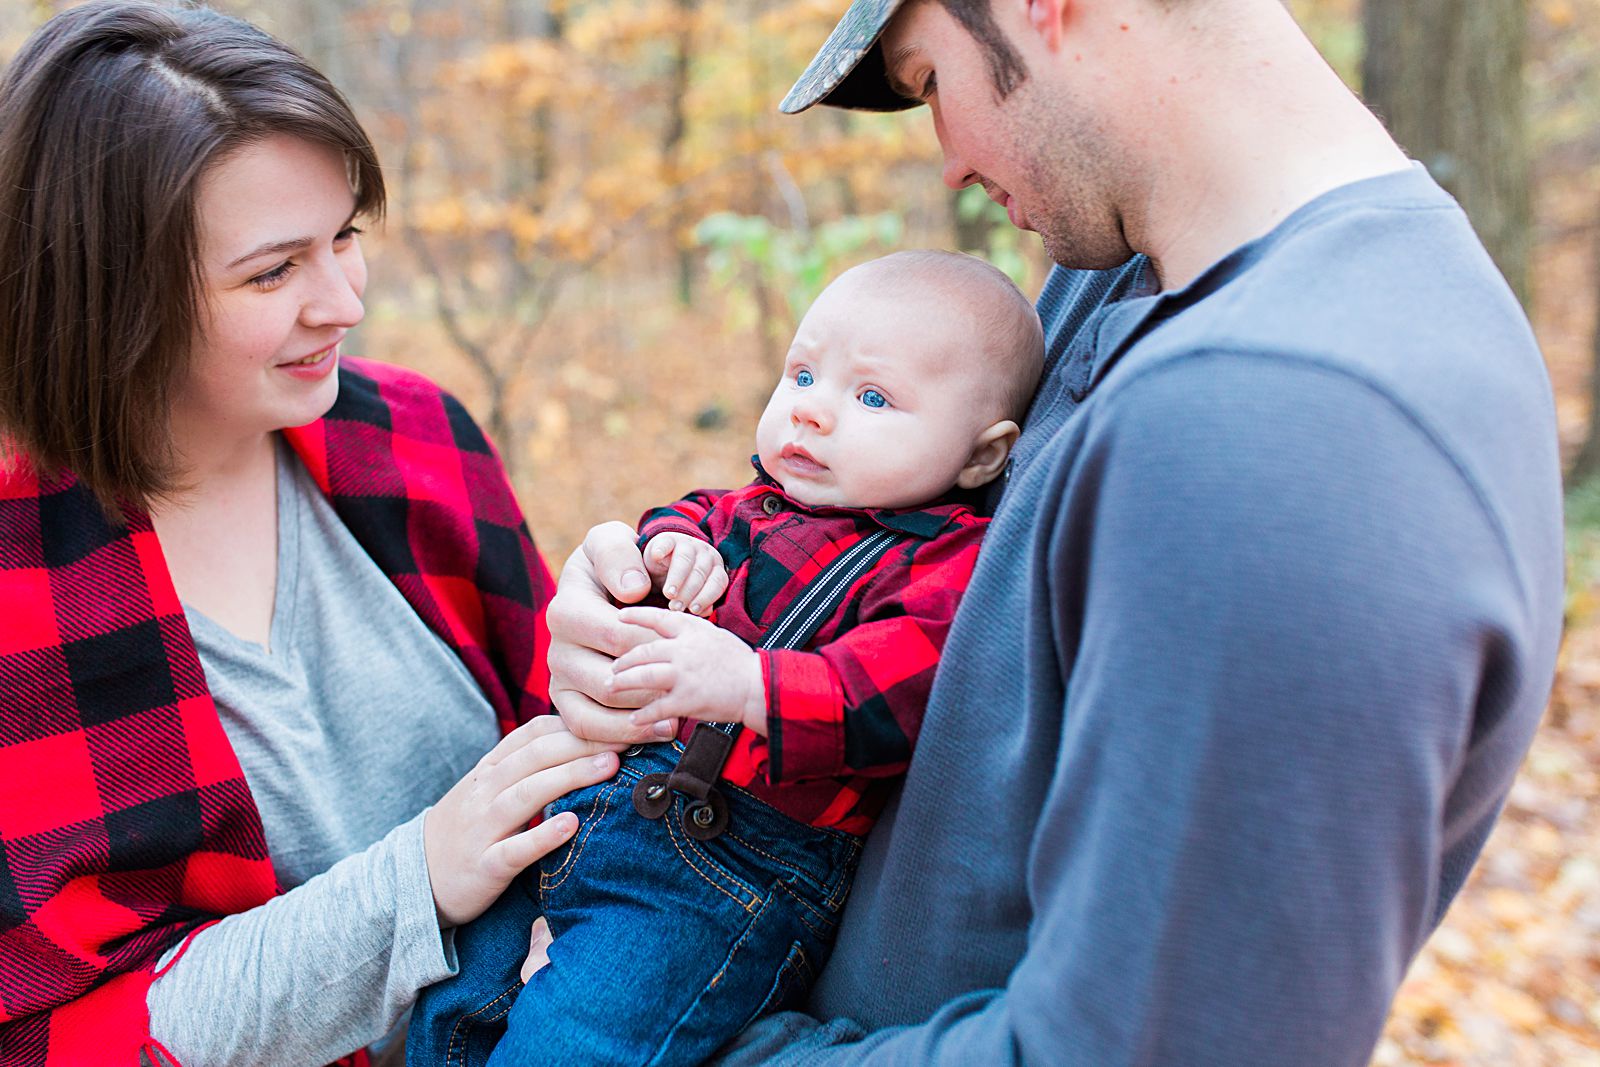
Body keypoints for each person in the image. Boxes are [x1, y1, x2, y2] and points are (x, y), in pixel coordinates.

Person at [545, 0, 1566, 1063]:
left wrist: (659, 1042)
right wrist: (648, 594)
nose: (944, 162)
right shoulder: (1133, 265)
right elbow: (946, 605)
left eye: (930, 79)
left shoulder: (1290, 418)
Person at [0, 5, 622, 1065]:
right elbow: (59, 1034)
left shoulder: (418, 437)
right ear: (110, 296)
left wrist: (636, 627)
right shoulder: (24, 586)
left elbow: (569, 759)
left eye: (345, 237)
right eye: (272, 271)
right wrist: (419, 876)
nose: (343, 300)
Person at [408, 250, 1045, 1066]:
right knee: (450, 1009)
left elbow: (882, 701)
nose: (810, 413)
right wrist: (668, 548)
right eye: (803, 374)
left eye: (873, 396)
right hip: (586, 813)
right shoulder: (741, 511)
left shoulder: (946, 568)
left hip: (724, 872)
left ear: (981, 457)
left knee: (572, 1044)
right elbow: (671, 522)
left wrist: (747, 682)